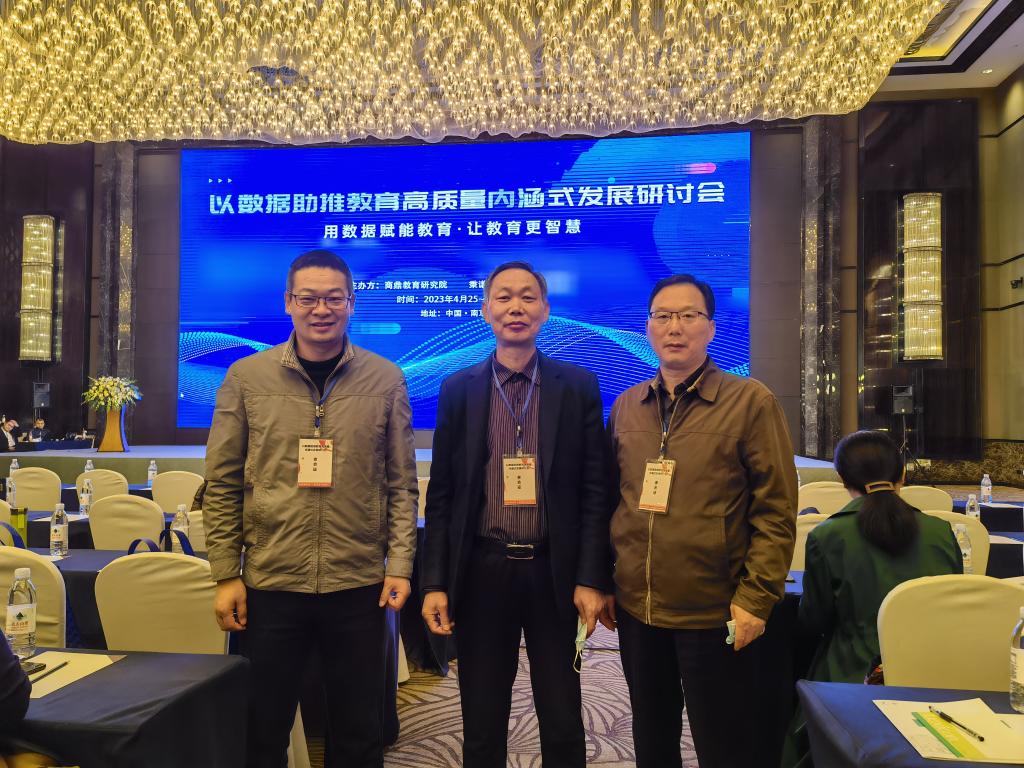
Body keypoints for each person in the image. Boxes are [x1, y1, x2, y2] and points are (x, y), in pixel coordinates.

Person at [203, 249, 418, 768]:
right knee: (262, 731)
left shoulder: (385, 379)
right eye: (308, 298)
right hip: (271, 583)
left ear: (351, 303)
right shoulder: (246, 377)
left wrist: (399, 565)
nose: (321, 309)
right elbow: (222, 482)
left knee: (359, 733)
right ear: (288, 302)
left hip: (358, 584)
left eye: (334, 298)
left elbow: (401, 484)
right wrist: (226, 574)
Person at [421, 261, 610, 768]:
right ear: (486, 310)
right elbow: (442, 495)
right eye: (503, 297)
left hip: (554, 570)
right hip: (483, 568)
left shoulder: (576, 385)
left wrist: (592, 576)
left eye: (528, 297)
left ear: (545, 310)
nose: (516, 307)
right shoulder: (458, 388)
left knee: (562, 712)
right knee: (482, 714)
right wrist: (435, 582)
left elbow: (596, 490)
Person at [605, 274, 797, 768]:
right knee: (652, 737)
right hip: (639, 610)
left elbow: (776, 510)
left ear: (711, 327)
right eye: (663, 316)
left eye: (688, 316)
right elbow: (612, 501)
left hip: (715, 611)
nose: (675, 327)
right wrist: (608, 582)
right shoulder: (627, 406)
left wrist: (756, 598)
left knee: (724, 743)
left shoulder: (750, 402)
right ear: (648, 326)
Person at [780, 429, 963, 767]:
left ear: (841, 478)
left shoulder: (828, 535)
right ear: (902, 474)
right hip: (935, 676)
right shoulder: (940, 531)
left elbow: (814, 621)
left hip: (849, 676)